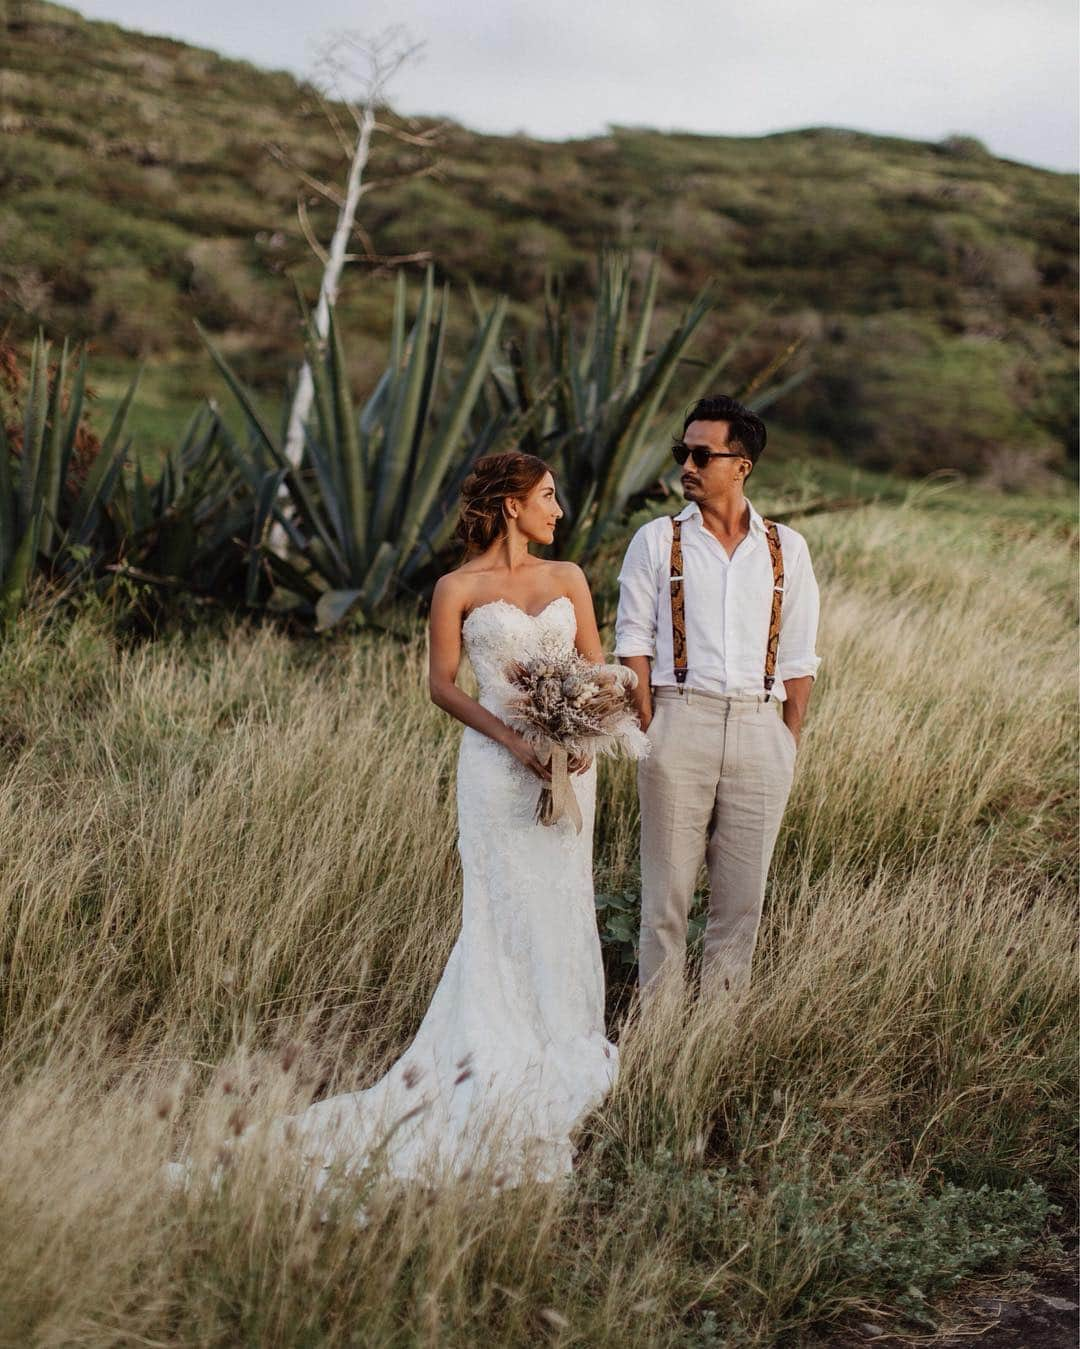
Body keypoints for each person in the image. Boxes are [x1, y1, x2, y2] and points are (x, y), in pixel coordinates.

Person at [258, 451, 618, 1190]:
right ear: (512, 505)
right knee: (498, 908)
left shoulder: (569, 579)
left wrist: (583, 733)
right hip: (494, 771)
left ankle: (562, 1033)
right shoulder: (456, 588)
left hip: (568, 768)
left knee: (560, 900)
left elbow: (596, 668)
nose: (560, 509)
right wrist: (512, 736)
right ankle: (491, 1047)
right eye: (549, 496)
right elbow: (441, 685)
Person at [615, 395, 821, 1005]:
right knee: (665, 902)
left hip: (762, 729)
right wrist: (653, 723)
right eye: (683, 452)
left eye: (702, 455)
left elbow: (800, 655)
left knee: (741, 904)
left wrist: (788, 736)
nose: (687, 465)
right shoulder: (657, 541)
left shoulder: (787, 548)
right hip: (680, 720)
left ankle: (714, 1038)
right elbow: (632, 638)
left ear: (742, 466)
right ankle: (657, 1038)